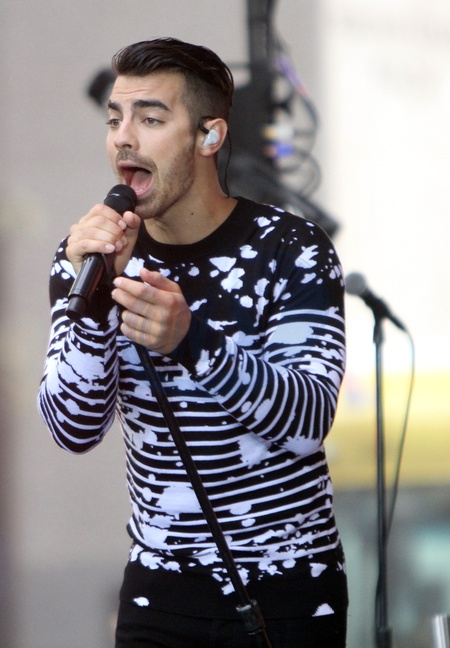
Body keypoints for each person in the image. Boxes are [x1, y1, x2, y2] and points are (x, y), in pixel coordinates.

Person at [38, 38, 348, 648]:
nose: (125, 138)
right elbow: (72, 428)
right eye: (115, 120)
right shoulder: (88, 257)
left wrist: (191, 341)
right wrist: (93, 309)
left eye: (151, 119)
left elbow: (309, 420)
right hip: (159, 588)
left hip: (289, 586)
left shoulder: (290, 249)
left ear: (209, 136)